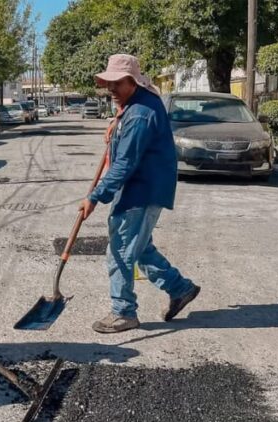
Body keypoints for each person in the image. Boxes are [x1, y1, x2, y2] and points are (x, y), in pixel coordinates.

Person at [79, 54, 201, 333]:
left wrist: (95, 196)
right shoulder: (137, 103)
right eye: (108, 83)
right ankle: (179, 288)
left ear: (132, 82)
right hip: (145, 184)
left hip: (141, 188)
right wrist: (116, 124)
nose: (111, 89)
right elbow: (128, 137)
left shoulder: (140, 114)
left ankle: (124, 312)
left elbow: (125, 163)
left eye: (117, 83)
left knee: (120, 251)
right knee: (140, 247)